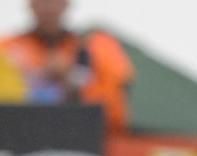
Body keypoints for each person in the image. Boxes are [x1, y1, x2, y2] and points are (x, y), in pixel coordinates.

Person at [0, 0, 133, 132]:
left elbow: (116, 116)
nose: (49, 9)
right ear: (30, 4)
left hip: (80, 139)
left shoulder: (95, 49)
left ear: (66, 4)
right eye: (42, 2)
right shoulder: (6, 49)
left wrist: (71, 80)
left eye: (54, 2)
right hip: (17, 138)